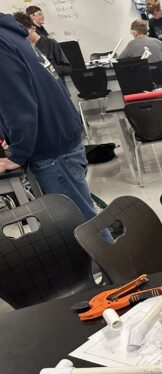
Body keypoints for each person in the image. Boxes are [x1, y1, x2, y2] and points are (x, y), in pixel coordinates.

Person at [0, 13, 97, 222]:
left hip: (53, 150)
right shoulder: (10, 33)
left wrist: (16, 155)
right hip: (59, 139)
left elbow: (18, 105)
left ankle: (111, 255)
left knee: (80, 227)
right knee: (82, 222)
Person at [12, 12, 70, 79]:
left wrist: (46, 67)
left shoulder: (50, 43)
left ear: (33, 28)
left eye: (25, 33)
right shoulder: (22, 48)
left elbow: (67, 68)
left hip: (55, 85)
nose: (23, 37)